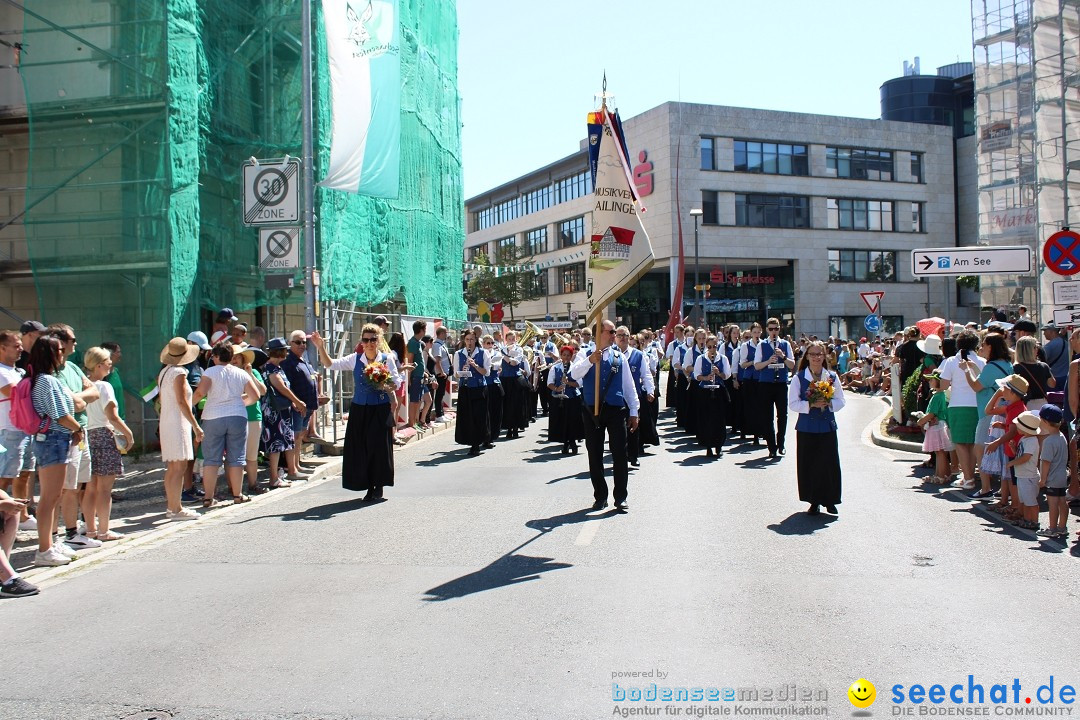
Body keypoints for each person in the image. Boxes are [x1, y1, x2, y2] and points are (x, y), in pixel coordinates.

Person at [311, 326, 401, 501]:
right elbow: (330, 364)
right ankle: (366, 483)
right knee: (362, 447)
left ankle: (378, 485)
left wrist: (385, 384)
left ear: (379, 340)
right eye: (366, 340)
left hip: (380, 407)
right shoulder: (355, 359)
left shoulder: (387, 359)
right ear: (361, 342)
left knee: (378, 447)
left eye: (373, 340)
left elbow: (396, 382)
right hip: (360, 408)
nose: (369, 344)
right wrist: (320, 347)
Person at [570, 320, 640, 512]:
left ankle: (621, 497)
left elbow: (629, 387)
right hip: (592, 410)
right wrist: (590, 361)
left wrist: (634, 411)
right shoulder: (585, 354)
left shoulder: (619, 357)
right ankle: (600, 496)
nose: (614, 335)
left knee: (619, 453)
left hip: (616, 410)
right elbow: (574, 374)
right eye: (611, 331)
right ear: (600, 333)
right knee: (595, 454)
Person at [27, 335, 84, 566]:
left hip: (54, 439)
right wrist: (78, 427)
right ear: (49, 353)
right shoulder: (46, 381)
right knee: (49, 498)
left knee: (54, 496)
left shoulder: (44, 379)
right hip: (52, 439)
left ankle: (51, 543)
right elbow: (60, 414)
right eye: (59, 350)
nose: (63, 353)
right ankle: (44, 549)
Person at [49, 324, 101, 550]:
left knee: (75, 485)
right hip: (64, 433)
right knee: (60, 488)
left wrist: (77, 398)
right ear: (60, 342)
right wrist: (80, 400)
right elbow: (76, 403)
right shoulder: (50, 373)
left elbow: (94, 393)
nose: (75, 343)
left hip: (81, 431)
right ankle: (54, 536)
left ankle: (71, 533)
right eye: (72, 339)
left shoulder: (72, 367)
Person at [192, 344, 261, 507]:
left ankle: (208, 497)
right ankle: (238, 495)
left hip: (213, 416)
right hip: (237, 416)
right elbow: (255, 395)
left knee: (212, 459)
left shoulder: (209, 372)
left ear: (215, 357)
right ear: (231, 357)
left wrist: (187, 407)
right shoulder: (240, 373)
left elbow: (200, 393)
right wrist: (239, 403)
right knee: (237, 457)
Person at [788, 340, 846, 515]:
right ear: (807, 356)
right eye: (812, 354)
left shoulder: (832, 377)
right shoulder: (799, 378)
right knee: (810, 464)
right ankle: (814, 501)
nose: (816, 358)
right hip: (807, 426)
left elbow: (841, 401)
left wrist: (828, 402)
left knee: (829, 463)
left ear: (824, 356)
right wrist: (810, 405)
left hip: (827, 425)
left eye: (819, 354)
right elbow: (792, 404)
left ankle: (830, 500)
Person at [83, 347, 134, 541]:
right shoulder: (104, 387)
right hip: (104, 434)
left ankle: (90, 529)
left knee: (90, 487)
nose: (110, 363)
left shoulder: (83, 385)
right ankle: (103, 530)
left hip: (87, 435)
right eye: (107, 361)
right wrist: (128, 434)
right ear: (98, 365)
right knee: (105, 489)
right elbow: (112, 416)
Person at [959, 332, 1013, 498]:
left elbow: (977, 386)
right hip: (1004, 411)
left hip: (988, 413)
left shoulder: (991, 367)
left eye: (984, 345)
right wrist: (973, 368)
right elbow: (985, 380)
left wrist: (966, 370)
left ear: (991, 347)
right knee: (1003, 450)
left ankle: (986, 488)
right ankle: (1004, 491)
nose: (981, 348)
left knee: (979, 448)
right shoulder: (1006, 364)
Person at [157, 337, 203, 520]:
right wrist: (196, 425)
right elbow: (183, 402)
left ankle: (173, 506)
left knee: (173, 467)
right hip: (177, 422)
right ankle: (175, 508)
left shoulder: (165, 372)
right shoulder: (179, 373)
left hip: (168, 420)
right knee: (179, 466)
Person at [937, 329, 985, 491]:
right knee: (972, 442)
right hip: (977, 406)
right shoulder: (982, 361)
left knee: (959, 442)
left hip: (957, 405)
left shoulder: (951, 361)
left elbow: (943, 386)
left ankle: (968, 477)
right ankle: (969, 476)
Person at [984, 374, 1030, 522]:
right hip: (1012, 449)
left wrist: (996, 442)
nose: (1002, 390)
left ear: (1012, 392)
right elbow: (989, 411)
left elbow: (1012, 432)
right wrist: (1003, 425)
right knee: (1012, 479)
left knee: (1016, 481)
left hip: (1015, 450)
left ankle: (1017, 508)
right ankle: (1015, 506)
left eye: (1005, 388)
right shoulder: (1013, 406)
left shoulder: (1016, 409)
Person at [0, 330, 34, 532]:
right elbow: (16, 393)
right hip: (9, 431)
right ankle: (3, 517)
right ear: (2, 348)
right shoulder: (1, 372)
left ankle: (22, 516)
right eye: (16, 345)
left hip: (25, 430)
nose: (21, 348)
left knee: (24, 474)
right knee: (4, 476)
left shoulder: (19, 372)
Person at [259, 338, 303, 489]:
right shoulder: (271, 368)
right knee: (275, 445)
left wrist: (292, 403)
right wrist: (297, 401)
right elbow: (280, 387)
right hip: (274, 412)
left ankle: (276, 477)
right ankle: (273, 478)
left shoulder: (276, 367)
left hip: (280, 411)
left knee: (279, 444)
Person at [753, 317, 795, 458]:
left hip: (781, 384)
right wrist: (768, 361)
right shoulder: (762, 345)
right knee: (767, 416)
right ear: (767, 330)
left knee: (782, 415)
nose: (773, 332)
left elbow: (792, 365)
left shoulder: (785, 344)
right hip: (765, 384)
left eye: (776, 329)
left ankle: (781, 443)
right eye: (771, 329)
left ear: (779, 329)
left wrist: (782, 356)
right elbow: (757, 365)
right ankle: (771, 446)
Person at [614, 326, 655, 466]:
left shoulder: (638, 355)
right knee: (618, 429)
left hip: (633, 396)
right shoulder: (611, 354)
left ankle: (633, 455)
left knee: (633, 427)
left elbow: (646, 374)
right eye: (620, 335)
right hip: (616, 398)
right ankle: (620, 455)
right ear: (615, 338)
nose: (623, 338)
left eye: (625, 335)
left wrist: (650, 390)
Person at [282, 330, 319, 480]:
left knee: (300, 435)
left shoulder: (303, 359)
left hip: (308, 405)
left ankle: (297, 464)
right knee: (295, 436)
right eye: (298, 342)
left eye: (304, 342)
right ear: (290, 344)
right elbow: (286, 385)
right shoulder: (288, 361)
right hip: (297, 406)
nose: (302, 345)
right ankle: (293, 469)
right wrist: (294, 402)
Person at [230, 346, 267, 495]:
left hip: (252, 417)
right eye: (231, 356)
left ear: (243, 358)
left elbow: (263, 391)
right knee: (234, 456)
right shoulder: (228, 374)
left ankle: (253, 484)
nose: (234, 360)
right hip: (233, 416)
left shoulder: (254, 372)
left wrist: (250, 374)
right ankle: (233, 488)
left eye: (237, 357)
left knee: (251, 455)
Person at [693, 335, 731, 458]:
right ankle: (708, 445)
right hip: (705, 391)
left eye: (714, 346)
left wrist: (718, 373)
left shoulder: (723, 358)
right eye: (709, 347)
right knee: (706, 418)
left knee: (719, 419)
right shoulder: (701, 358)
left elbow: (727, 375)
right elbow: (696, 375)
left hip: (718, 391)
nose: (712, 349)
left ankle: (719, 445)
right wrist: (706, 377)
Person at [453, 329, 489, 456]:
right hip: (465, 388)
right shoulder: (458, 354)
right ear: (464, 340)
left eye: (472, 339)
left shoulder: (483, 353)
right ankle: (471, 442)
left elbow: (486, 372)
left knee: (479, 416)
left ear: (476, 340)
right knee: (468, 417)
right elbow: (456, 374)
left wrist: (475, 366)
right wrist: (462, 371)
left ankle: (477, 444)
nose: (469, 342)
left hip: (479, 388)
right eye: (467, 340)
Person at [1036, 404, 1069, 538]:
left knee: (1053, 503)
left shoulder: (1049, 441)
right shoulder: (1062, 437)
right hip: (1062, 475)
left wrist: (1043, 480)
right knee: (1062, 501)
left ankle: (1052, 528)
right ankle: (1062, 526)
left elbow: (1046, 462)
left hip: (1052, 477)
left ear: (1044, 421)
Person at [1007, 411, 1042, 531]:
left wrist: (1012, 462)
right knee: (1024, 500)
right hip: (1022, 475)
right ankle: (1026, 519)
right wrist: (1013, 449)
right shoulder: (1024, 439)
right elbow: (1019, 454)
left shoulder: (1032, 441)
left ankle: (1034, 521)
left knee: (1031, 501)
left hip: (1029, 476)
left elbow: (1026, 457)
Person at [917, 371, 954, 483]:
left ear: (939, 381)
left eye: (932, 379)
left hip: (937, 426)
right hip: (939, 425)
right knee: (940, 452)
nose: (929, 381)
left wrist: (921, 421)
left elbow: (932, 413)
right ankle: (943, 474)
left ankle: (940, 476)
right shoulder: (940, 395)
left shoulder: (938, 396)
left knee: (939, 452)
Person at [547, 345, 583, 455]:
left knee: (572, 420)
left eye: (568, 355)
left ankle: (572, 442)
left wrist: (568, 382)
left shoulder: (575, 367)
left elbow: (579, 384)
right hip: (559, 398)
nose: (566, 357)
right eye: (564, 355)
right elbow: (549, 383)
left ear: (572, 356)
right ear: (561, 356)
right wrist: (557, 388)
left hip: (573, 398)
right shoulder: (555, 367)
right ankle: (566, 442)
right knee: (562, 420)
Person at [499, 330, 528, 440]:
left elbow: (514, 363)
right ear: (506, 340)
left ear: (516, 340)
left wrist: (504, 355)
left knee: (516, 404)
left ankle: (516, 427)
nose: (511, 341)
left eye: (513, 339)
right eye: (509, 339)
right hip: (505, 379)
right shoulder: (502, 349)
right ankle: (508, 428)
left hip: (515, 379)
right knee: (506, 404)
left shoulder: (519, 349)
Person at [1012, 336, 1054, 411]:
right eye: (1035, 347)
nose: (1037, 349)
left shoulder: (1015, 368)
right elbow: (1052, 384)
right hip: (1042, 403)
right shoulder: (1043, 366)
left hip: (1024, 405)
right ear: (1030, 350)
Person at [406, 320, 428, 429]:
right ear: (421, 330)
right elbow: (410, 360)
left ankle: (415, 422)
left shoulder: (418, 343)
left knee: (418, 400)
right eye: (424, 329)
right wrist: (409, 378)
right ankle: (411, 423)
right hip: (415, 376)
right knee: (414, 400)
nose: (425, 331)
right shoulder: (413, 343)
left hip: (419, 376)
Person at [481, 334, 503, 444]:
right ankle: (485, 436)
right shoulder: (480, 353)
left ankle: (492, 436)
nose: (490, 345)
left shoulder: (497, 353)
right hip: (484, 385)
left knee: (495, 411)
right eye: (488, 343)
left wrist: (489, 360)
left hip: (494, 384)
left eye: (492, 343)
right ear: (483, 344)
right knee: (486, 412)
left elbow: (495, 366)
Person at [99, 341, 125, 421]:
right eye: (118, 352)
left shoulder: (116, 371)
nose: (120, 355)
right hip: (108, 421)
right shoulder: (101, 376)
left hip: (120, 418)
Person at [431, 327, 452, 421]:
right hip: (440, 374)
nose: (446, 334)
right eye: (445, 332)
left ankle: (441, 413)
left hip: (444, 373)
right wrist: (442, 372)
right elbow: (437, 360)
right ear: (442, 333)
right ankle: (439, 415)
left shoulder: (441, 344)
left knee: (442, 393)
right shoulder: (437, 345)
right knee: (439, 394)